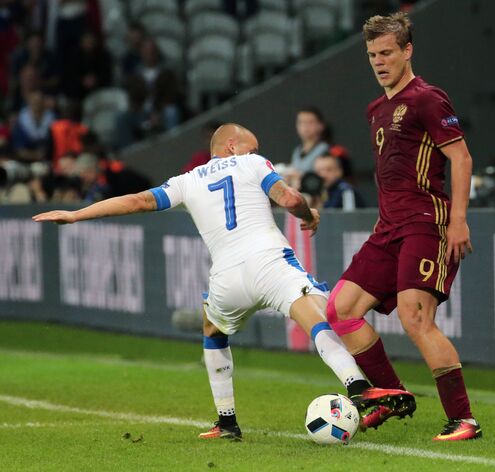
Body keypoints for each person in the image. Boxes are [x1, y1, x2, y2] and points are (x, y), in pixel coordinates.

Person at [33, 123, 412, 441]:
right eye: (253, 145)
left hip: (227, 277)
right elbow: (288, 196)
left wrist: (76, 214)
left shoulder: (187, 180)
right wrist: (307, 213)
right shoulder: (250, 162)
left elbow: (136, 202)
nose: (258, 150)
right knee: (316, 316)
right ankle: (359, 388)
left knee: (213, 328)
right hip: (269, 263)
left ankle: (227, 422)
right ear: (232, 146)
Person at [325, 13, 481, 441]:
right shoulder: (377, 108)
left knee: (415, 317)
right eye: (372, 54)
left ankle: (463, 419)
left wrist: (458, 220)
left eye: (387, 52)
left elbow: (461, 158)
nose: (379, 61)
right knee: (340, 308)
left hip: (425, 223)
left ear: (407, 51)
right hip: (388, 228)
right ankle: (391, 393)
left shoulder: (428, 98)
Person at [290, 106, 330, 174]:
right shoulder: (297, 151)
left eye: (310, 122)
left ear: (321, 125)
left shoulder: (327, 150)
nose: (305, 126)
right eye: (301, 122)